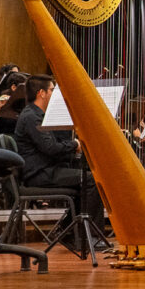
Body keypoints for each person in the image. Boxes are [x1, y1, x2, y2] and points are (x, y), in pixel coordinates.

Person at [14, 75, 106, 236]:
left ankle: (69, 233)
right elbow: (50, 148)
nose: (55, 93)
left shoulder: (37, 114)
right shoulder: (31, 117)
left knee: (87, 178)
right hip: (39, 174)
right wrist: (74, 144)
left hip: (46, 170)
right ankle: (90, 236)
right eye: (52, 90)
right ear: (41, 93)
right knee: (92, 180)